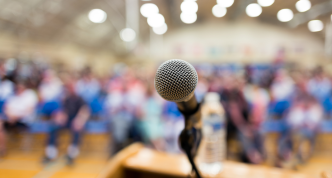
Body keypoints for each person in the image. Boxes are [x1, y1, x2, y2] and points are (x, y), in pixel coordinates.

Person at [43, 77, 90, 165]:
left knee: (77, 130)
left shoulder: (81, 99)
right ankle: (51, 154)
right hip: (67, 121)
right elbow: (63, 111)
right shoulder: (66, 99)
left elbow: (85, 111)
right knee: (53, 127)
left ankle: (71, 155)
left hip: (77, 121)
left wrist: (79, 120)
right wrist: (60, 117)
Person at [0, 80, 38, 156]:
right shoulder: (12, 96)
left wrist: (16, 117)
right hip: (11, 119)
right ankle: (2, 149)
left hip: (25, 120)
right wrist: (10, 116)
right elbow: (6, 108)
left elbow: (29, 110)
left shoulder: (30, 95)